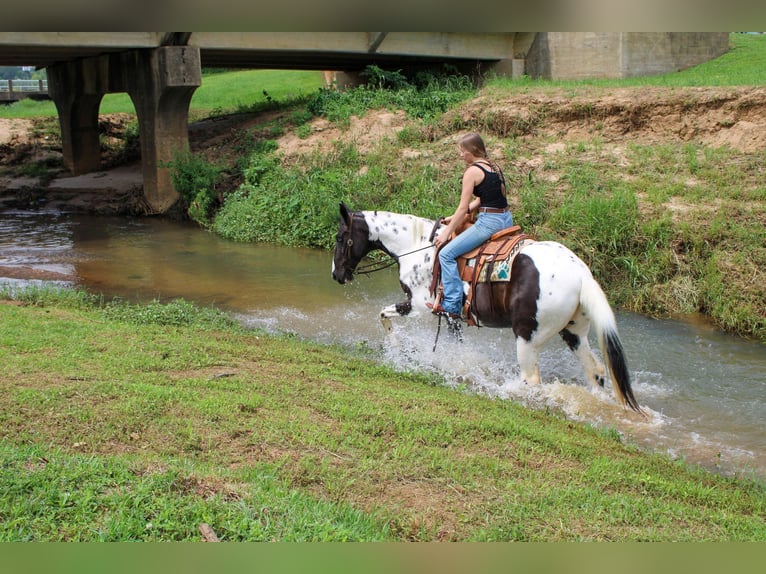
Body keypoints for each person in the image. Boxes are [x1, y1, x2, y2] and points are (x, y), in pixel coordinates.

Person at [429, 132, 513, 319]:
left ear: (472, 151)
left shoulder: (472, 171)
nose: (461, 155)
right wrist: (456, 216)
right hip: (506, 219)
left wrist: (446, 234)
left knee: (446, 254)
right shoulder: (493, 166)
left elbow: (462, 208)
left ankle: (451, 304)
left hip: (489, 223)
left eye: (462, 151)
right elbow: (483, 198)